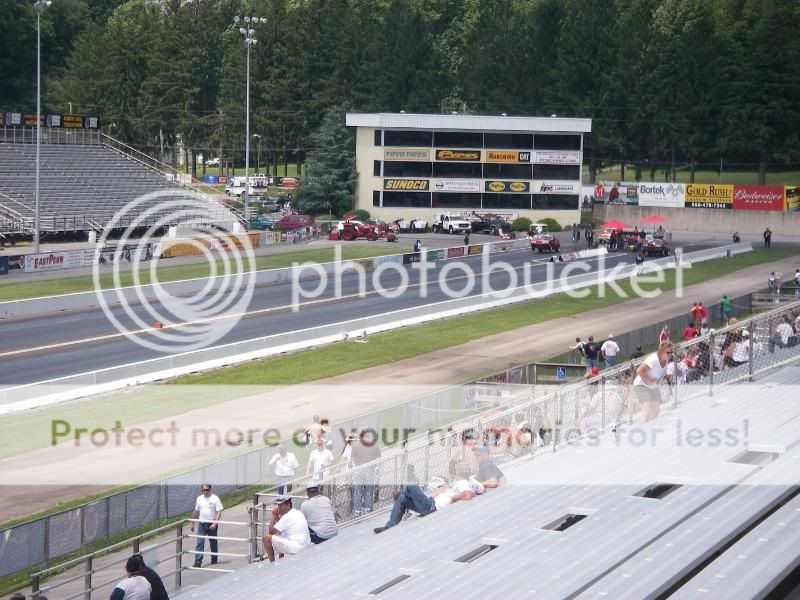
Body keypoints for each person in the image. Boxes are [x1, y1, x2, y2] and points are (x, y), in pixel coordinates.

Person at [373, 466, 484, 534]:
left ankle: (401, 494)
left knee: (411, 486)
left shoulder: (462, 483)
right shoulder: (471, 481)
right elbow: (482, 489)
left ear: (458, 474)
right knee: (402, 499)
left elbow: (468, 494)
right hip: (430, 503)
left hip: (432, 507)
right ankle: (389, 526)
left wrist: (453, 498)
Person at [633, 341, 673, 423]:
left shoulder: (665, 359)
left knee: (656, 411)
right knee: (647, 411)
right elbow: (639, 370)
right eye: (668, 352)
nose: (670, 354)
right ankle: (642, 428)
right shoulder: (653, 360)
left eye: (671, 352)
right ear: (661, 352)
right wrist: (651, 381)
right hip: (641, 385)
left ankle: (648, 426)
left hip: (652, 387)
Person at [261, 496, 311, 562]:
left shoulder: (287, 517)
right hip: (305, 545)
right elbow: (279, 531)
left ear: (288, 505)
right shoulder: (298, 512)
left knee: (266, 538)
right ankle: (281, 558)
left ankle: (272, 563)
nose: (279, 508)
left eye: (281, 505)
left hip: (297, 548)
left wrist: (274, 516)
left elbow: (271, 531)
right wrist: (277, 517)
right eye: (278, 505)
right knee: (281, 535)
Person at [190, 484, 222, 568]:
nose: (205, 492)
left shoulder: (215, 498)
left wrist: (215, 523)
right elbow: (196, 511)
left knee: (213, 542)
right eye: (203, 490)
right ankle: (198, 562)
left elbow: (219, 512)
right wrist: (192, 523)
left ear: (210, 490)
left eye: (207, 490)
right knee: (199, 542)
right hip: (202, 524)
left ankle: (214, 559)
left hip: (212, 523)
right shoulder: (199, 499)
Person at [351, 428, 381, 516]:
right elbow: (378, 457)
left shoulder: (356, 445)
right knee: (369, 490)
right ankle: (368, 509)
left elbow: (352, 458)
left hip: (358, 469)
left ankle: (357, 511)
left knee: (358, 491)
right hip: (370, 469)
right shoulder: (374, 444)